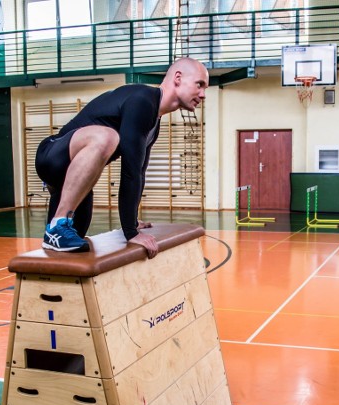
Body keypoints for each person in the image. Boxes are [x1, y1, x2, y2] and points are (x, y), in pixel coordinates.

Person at [35, 57, 209, 259]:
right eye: (200, 85)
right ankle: (58, 224)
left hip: (68, 178)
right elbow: (130, 171)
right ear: (177, 78)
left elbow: (139, 172)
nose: (203, 94)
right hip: (52, 155)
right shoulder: (142, 100)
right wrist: (131, 232)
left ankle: (54, 233)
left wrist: (132, 220)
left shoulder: (154, 120)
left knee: (73, 242)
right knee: (108, 136)